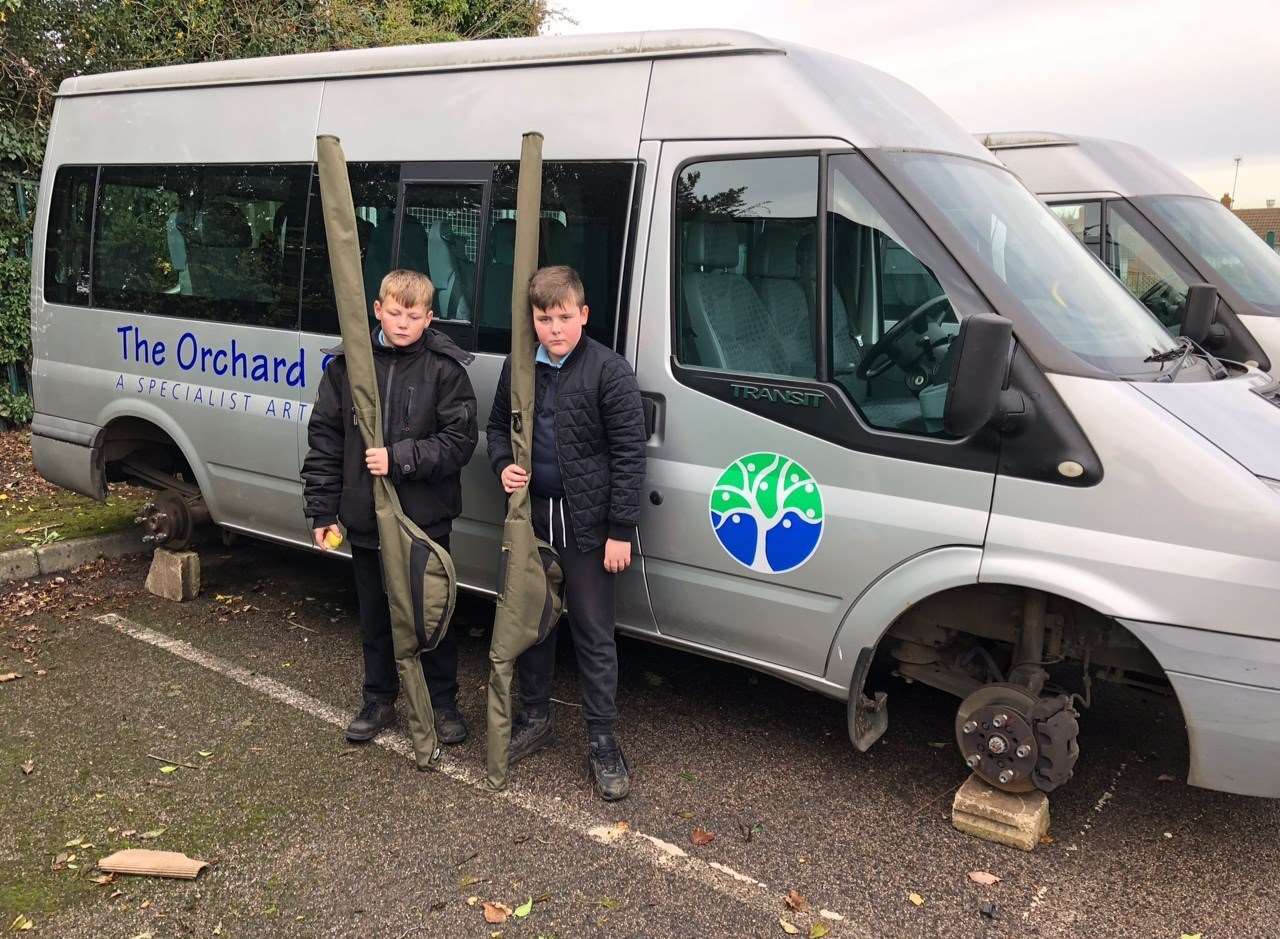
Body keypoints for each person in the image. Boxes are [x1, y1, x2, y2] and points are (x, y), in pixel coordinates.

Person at [486, 265, 647, 801]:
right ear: (532, 320)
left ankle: (602, 738)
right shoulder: (520, 366)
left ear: (584, 315)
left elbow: (629, 453)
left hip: (589, 527)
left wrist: (621, 530)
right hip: (532, 520)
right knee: (533, 625)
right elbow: (496, 430)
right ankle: (534, 717)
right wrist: (503, 463)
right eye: (543, 318)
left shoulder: (609, 370)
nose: (553, 328)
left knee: (594, 635)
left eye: (563, 317)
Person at [302, 269, 478, 745]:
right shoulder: (346, 368)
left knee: (432, 611)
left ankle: (442, 703)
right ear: (377, 309)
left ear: (429, 318)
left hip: (425, 519)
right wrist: (322, 512)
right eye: (395, 312)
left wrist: (400, 458)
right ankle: (378, 697)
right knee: (375, 614)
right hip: (364, 517)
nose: (403, 322)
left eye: (414, 315)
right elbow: (325, 440)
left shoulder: (446, 369)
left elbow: (459, 441)